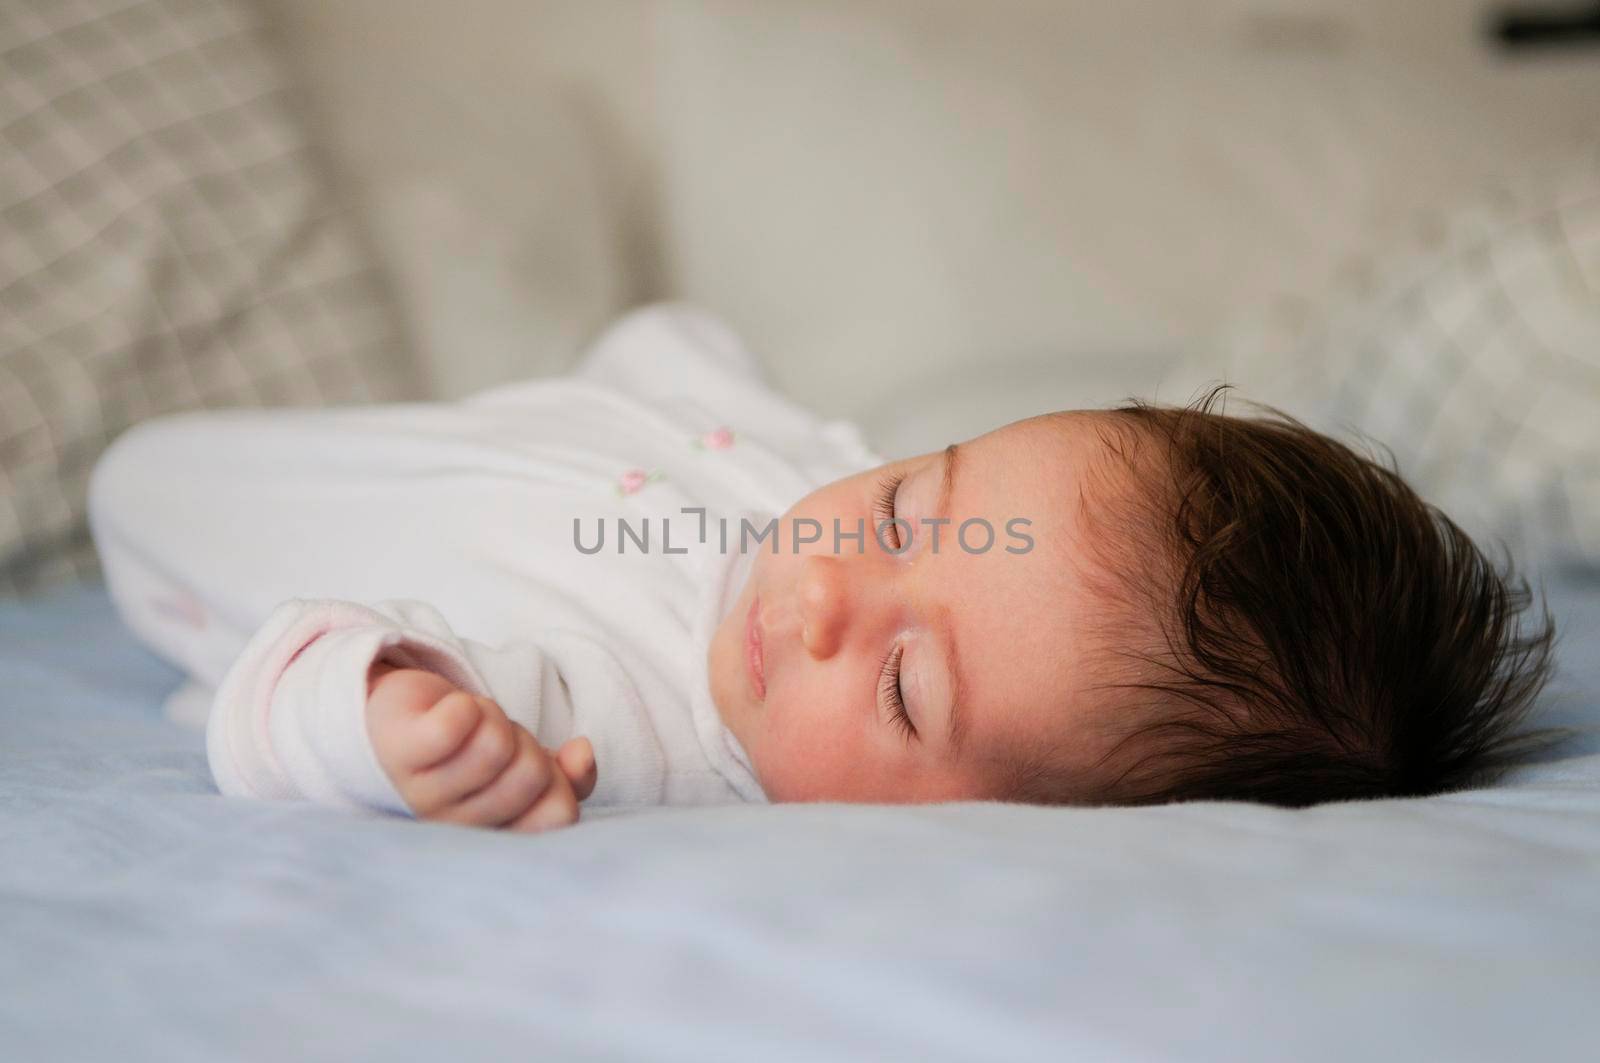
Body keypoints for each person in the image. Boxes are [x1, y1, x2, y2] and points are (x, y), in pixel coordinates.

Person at [87, 304, 1556, 833]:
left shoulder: (619, 729)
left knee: (142, 481)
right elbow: (754, 418)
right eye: (923, 507)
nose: (831, 591)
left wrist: (381, 714)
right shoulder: (817, 495)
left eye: (908, 691)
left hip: (204, 519)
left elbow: (279, 709)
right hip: (550, 434)